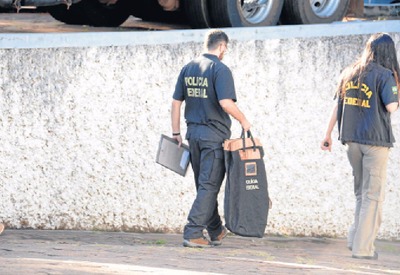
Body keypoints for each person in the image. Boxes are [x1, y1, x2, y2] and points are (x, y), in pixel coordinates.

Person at [321, 33, 400, 260]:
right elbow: (392, 107)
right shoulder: (385, 75)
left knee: (361, 193)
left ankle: (354, 239)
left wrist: (327, 135)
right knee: (372, 196)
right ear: (388, 52)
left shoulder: (349, 72)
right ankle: (363, 249)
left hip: (351, 141)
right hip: (375, 142)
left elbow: (337, 107)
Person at [171, 29, 251, 248]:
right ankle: (192, 231)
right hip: (213, 137)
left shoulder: (188, 68)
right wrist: (244, 120)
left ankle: (215, 230)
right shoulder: (220, 69)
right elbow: (226, 103)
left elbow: (176, 103)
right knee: (209, 186)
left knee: (205, 185)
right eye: (226, 49)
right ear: (222, 46)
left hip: (193, 136)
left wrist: (176, 133)